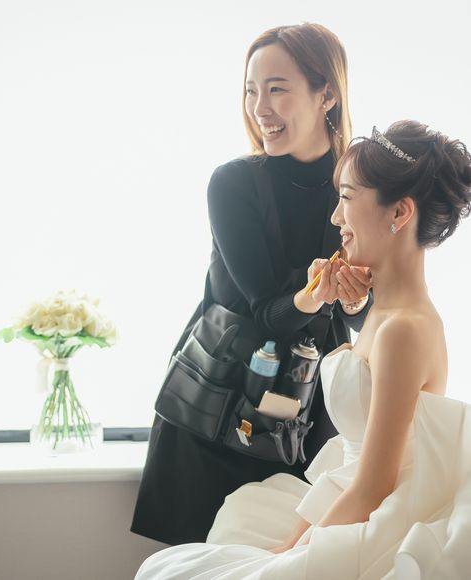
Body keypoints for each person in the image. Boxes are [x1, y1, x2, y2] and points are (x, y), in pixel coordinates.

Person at [134, 120, 471, 579]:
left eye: (347, 198)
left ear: (399, 212)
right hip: (346, 504)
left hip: (373, 523)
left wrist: (288, 559)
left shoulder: (403, 331)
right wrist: (287, 548)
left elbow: (373, 486)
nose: (335, 218)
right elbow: (350, 473)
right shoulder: (381, 314)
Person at [131, 23, 375, 546]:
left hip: (305, 420)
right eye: (251, 90)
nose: (259, 107)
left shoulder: (359, 189)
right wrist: (319, 293)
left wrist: (355, 301)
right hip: (216, 411)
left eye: (277, 89)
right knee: (197, 566)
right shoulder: (233, 183)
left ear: (326, 94)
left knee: (296, 560)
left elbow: (369, 314)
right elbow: (267, 310)